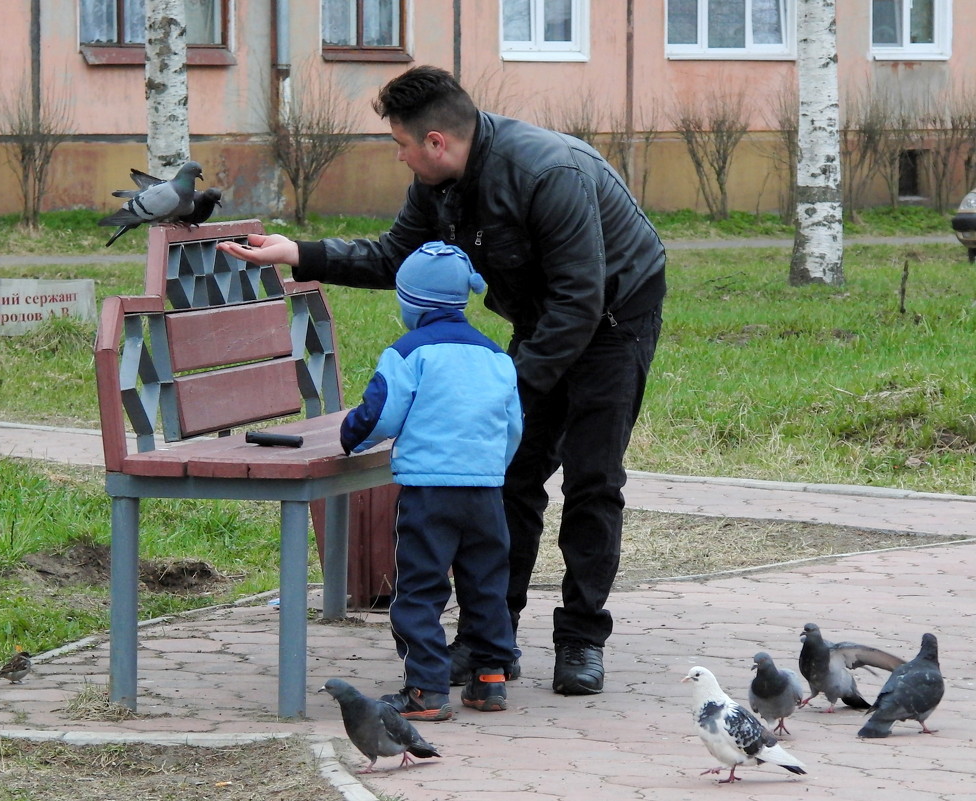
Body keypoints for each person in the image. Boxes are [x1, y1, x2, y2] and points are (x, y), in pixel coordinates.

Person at [217, 64, 666, 696]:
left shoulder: (547, 173)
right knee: (509, 475)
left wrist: (504, 385)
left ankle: (582, 641)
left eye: (399, 144)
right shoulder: (438, 185)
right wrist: (300, 253)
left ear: (435, 141)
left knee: (593, 480)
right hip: (544, 317)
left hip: (615, 318)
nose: (399, 158)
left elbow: (579, 302)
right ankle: (491, 644)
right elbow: (395, 257)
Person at [339, 240, 522, 721]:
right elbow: (513, 425)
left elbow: (380, 414)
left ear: (411, 302)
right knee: (485, 584)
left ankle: (425, 689)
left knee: (420, 587)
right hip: (485, 492)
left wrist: (350, 437)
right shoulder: (495, 356)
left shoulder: (408, 352)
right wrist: (490, 466)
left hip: (429, 493)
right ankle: (489, 680)